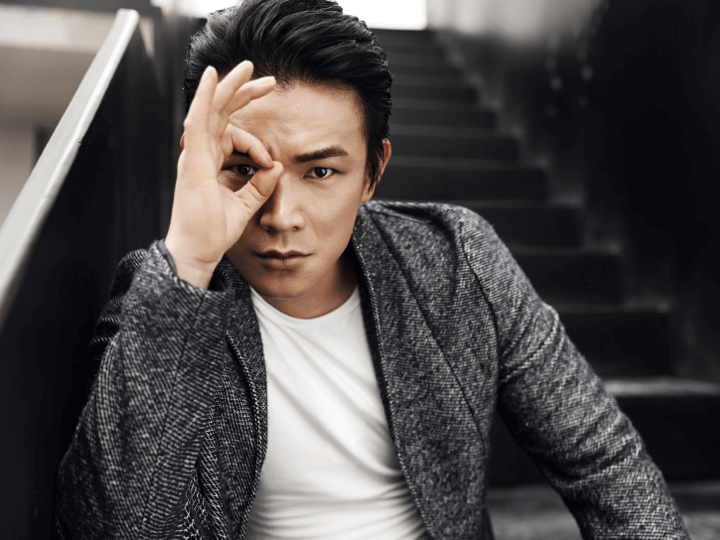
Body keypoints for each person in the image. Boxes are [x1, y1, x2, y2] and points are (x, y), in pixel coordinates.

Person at [56, 0, 690, 538]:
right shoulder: (164, 295)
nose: (280, 216)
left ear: (372, 173)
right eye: (243, 168)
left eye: (320, 171)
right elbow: (114, 528)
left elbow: (600, 461)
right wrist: (191, 261)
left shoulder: (455, 259)